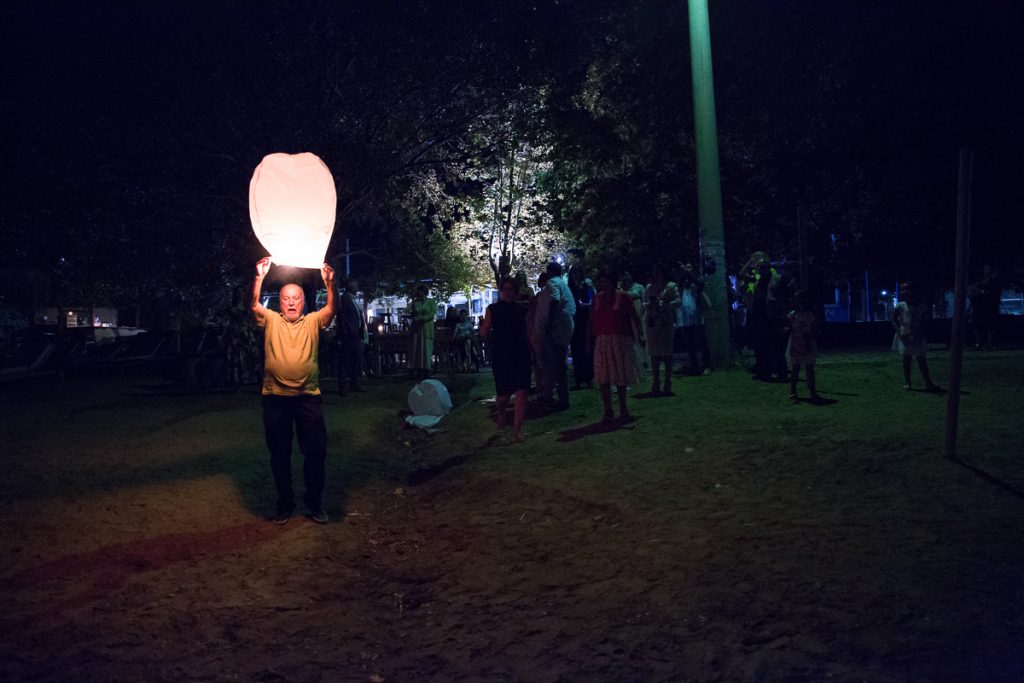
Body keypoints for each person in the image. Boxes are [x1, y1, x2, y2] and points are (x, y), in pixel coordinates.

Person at [251, 257, 336, 525]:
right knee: (280, 454)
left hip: (308, 399)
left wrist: (330, 284)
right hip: (275, 399)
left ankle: (314, 503)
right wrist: (259, 277)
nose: (290, 302)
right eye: (286, 298)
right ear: (279, 301)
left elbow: (332, 308)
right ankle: (285, 504)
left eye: (296, 298)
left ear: (303, 302)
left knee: (315, 452)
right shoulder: (271, 320)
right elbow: (252, 305)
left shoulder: (312, 321)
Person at [480, 277, 532, 442]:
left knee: (522, 391)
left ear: (516, 292)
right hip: (502, 354)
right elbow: (485, 330)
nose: (508, 292)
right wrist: (483, 329)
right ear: (501, 291)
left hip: (520, 352)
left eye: (511, 289)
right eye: (505, 289)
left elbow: (529, 331)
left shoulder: (522, 310)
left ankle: (517, 431)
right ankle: (501, 412)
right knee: (503, 395)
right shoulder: (493, 309)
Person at [589, 271, 644, 422]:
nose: (603, 285)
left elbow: (633, 316)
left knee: (620, 376)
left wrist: (639, 333)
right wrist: (590, 338)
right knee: (603, 376)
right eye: (601, 282)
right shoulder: (597, 298)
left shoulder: (623, 296)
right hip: (602, 341)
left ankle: (623, 408)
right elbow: (592, 320)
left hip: (619, 339)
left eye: (606, 281)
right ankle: (608, 410)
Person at [534, 261, 576, 410]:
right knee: (558, 361)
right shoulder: (563, 284)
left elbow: (554, 302)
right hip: (564, 323)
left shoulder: (552, 284)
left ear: (549, 271)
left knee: (557, 362)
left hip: (558, 326)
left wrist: (549, 324)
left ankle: (563, 399)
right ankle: (558, 395)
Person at [890, 282, 941, 392]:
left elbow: (924, 321)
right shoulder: (900, 305)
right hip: (905, 334)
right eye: (902, 290)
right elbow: (893, 318)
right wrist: (899, 331)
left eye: (906, 290)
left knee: (921, 358)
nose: (904, 293)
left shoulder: (921, 305)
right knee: (906, 358)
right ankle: (908, 382)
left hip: (918, 334)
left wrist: (918, 332)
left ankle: (928, 383)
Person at [646, 266, 680, 396]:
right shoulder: (650, 288)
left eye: (661, 274)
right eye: (657, 274)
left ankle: (667, 380)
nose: (659, 276)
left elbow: (678, 301)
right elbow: (646, 302)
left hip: (666, 321)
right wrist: (650, 305)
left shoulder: (671, 286)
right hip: (653, 321)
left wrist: (667, 304)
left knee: (667, 352)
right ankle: (656, 381)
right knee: (654, 353)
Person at [678, 261, 713, 375]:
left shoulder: (697, 279)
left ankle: (707, 365)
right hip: (684, 316)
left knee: (701, 341)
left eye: (690, 267)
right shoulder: (682, 282)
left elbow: (700, 285)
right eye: (686, 268)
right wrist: (683, 275)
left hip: (697, 315)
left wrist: (688, 273)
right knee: (689, 343)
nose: (687, 270)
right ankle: (694, 366)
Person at [334, 278, 367, 394]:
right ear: (349, 285)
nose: (357, 285)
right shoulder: (344, 298)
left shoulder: (351, 299)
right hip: (349, 334)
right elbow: (341, 316)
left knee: (356, 359)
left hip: (355, 334)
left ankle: (355, 383)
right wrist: (345, 330)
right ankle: (343, 386)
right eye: (355, 283)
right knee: (345, 359)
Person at [787, 290, 821, 402]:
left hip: (808, 343)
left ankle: (812, 390)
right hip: (796, 344)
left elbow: (815, 328)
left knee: (809, 368)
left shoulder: (810, 315)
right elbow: (786, 327)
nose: (800, 303)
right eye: (798, 300)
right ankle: (793, 391)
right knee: (795, 369)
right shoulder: (792, 315)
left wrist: (810, 338)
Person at [621, 270, 648, 382]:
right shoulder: (622, 289)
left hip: (639, 312)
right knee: (633, 338)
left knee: (642, 336)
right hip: (628, 314)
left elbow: (645, 300)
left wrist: (643, 313)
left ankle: (645, 360)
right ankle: (637, 361)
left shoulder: (639, 287)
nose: (626, 277)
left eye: (627, 274)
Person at [569, 269, 594, 390]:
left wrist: (582, 305)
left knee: (586, 349)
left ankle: (589, 378)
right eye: (574, 273)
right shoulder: (570, 288)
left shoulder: (586, 287)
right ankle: (579, 379)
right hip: (575, 321)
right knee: (576, 350)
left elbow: (591, 302)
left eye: (577, 273)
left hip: (584, 320)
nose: (576, 275)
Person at [409, 284, 437, 379]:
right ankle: (419, 369)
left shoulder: (431, 302)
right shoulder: (415, 303)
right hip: (417, 329)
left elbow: (432, 313)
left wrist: (422, 318)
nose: (418, 293)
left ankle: (427, 369)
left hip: (427, 328)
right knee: (418, 350)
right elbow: (412, 313)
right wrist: (416, 319)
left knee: (427, 349)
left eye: (419, 291)